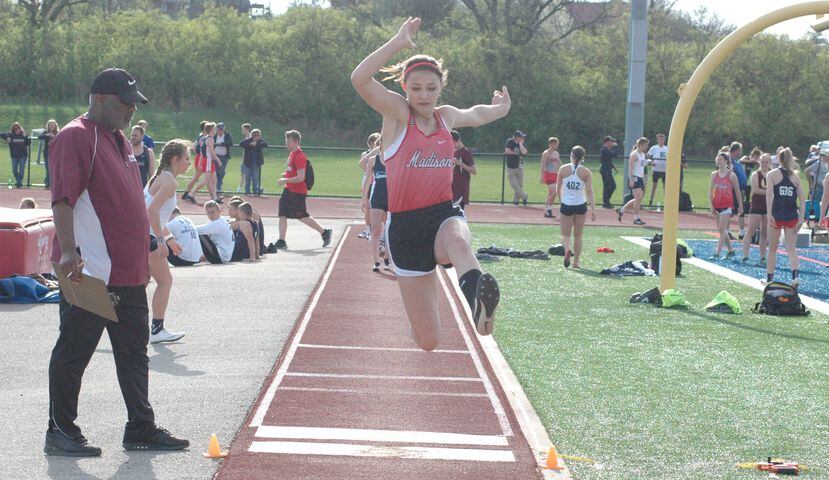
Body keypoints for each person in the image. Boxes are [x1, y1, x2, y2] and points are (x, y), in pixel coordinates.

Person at [45, 68, 188, 457]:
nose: (131, 110)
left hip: (126, 272)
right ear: (100, 99)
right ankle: (60, 430)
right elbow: (62, 200)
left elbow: (126, 200)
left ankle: (140, 426)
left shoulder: (120, 139)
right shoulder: (75, 137)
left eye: (134, 103)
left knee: (134, 353)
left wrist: (147, 239)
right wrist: (70, 251)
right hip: (89, 271)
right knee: (74, 352)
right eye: (125, 102)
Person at [351, 16, 508, 349]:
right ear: (405, 88)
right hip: (405, 230)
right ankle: (418, 325)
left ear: (441, 88)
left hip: (441, 215)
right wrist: (397, 42)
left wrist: (500, 110)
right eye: (416, 88)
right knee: (428, 341)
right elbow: (360, 78)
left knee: (460, 242)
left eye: (431, 88)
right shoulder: (397, 114)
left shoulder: (445, 117)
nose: (424, 95)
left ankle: (478, 304)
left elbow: (476, 114)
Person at [144, 140, 191, 344]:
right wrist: (161, 240)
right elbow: (151, 211)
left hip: (143, 236)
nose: (189, 163)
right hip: (148, 238)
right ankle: (157, 329)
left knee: (141, 283)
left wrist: (169, 238)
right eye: (187, 159)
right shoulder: (170, 182)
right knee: (165, 281)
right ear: (175, 159)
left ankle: (112, 323)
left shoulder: (157, 178)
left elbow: (158, 216)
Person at [273, 130, 332, 249]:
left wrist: (285, 180)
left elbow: (300, 177)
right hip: (288, 190)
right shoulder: (292, 154)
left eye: (288, 141)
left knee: (302, 216)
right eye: (286, 140)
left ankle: (324, 232)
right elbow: (294, 172)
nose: (286, 143)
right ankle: (281, 240)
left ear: (295, 142)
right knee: (282, 214)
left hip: (298, 192)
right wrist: (286, 175)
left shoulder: (300, 156)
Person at [765, 148, 805, 289]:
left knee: (772, 249)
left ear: (778, 158)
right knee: (791, 249)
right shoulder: (795, 177)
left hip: (777, 214)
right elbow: (802, 198)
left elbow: (769, 195)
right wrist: (801, 218)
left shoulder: (771, 174)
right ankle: (795, 277)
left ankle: (769, 279)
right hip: (791, 215)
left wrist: (769, 213)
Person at [556, 146, 595, 269]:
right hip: (581, 204)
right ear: (582, 157)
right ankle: (576, 262)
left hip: (567, 204)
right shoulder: (586, 172)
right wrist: (593, 209)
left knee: (565, 235)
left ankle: (568, 249)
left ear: (571, 155)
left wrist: (561, 201)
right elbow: (589, 191)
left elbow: (558, 189)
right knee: (578, 235)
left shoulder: (563, 169)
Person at [708, 152, 743, 259]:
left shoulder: (731, 175)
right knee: (721, 230)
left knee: (722, 229)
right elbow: (710, 191)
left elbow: (737, 192)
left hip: (727, 205)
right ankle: (731, 250)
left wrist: (741, 206)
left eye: (721, 159)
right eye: (717, 159)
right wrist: (711, 205)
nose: (718, 161)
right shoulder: (714, 174)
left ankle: (717, 253)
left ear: (726, 161)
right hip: (716, 204)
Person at [361, 139, 390, 271]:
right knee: (376, 230)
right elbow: (367, 180)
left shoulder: (395, 159)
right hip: (377, 198)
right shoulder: (373, 160)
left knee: (390, 230)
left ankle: (388, 259)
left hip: (392, 199)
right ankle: (376, 261)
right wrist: (364, 200)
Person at [741, 153, 770, 265]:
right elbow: (756, 189)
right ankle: (745, 256)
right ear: (759, 162)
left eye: (766, 162)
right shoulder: (755, 174)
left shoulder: (772, 175)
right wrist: (769, 192)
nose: (764, 164)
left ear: (770, 163)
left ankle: (763, 257)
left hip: (768, 206)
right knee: (751, 231)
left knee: (764, 233)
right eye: (762, 162)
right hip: (757, 205)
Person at [616, 137, 649, 225]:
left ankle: (622, 210)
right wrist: (631, 180)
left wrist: (647, 162)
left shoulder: (642, 154)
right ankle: (636, 218)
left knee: (638, 199)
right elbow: (630, 168)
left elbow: (641, 164)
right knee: (637, 199)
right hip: (635, 177)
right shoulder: (634, 154)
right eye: (645, 145)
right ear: (641, 145)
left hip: (640, 178)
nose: (646, 147)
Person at [358, 133, 381, 239]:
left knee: (379, 208)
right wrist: (371, 173)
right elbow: (362, 163)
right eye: (374, 142)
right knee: (368, 206)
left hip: (379, 182)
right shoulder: (367, 154)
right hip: (370, 181)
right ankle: (367, 229)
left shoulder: (383, 153)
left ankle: (380, 233)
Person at [728, 142, 748, 239]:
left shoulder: (737, 161)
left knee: (741, 211)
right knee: (729, 212)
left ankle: (741, 232)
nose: (741, 152)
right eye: (740, 150)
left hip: (740, 190)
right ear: (735, 150)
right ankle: (727, 232)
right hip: (732, 191)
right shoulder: (729, 161)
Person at [451, 129, 477, 207]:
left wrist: (459, 163)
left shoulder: (466, 153)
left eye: (453, 142)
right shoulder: (454, 152)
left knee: (459, 214)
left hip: (461, 189)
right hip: (453, 188)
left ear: (458, 140)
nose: (451, 144)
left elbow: (474, 170)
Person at [239, 128, 267, 195]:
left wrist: (257, 144)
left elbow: (265, 144)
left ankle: (255, 191)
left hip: (256, 163)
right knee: (247, 177)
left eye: (259, 135)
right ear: (254, 136)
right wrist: (250, 144)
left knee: (255, 177)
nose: (259, 137)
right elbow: (241, 143)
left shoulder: (260, 141)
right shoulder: (248, 140)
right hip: (248, 163)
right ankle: (247, 191)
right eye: (257, 135)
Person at [504, 130, 528, 205]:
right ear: (516, 137)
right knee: (513, 184)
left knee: (520, 185)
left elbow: (524, 152)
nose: (522, 138)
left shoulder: (521, 144)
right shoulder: (510, 141)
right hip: (511, 167)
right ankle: (524, 196)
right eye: (521, 137)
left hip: (519, 167)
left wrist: (520, 144)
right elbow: (507, 151)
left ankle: (515, 201)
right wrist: (516, 153)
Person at [4, 122, 31, 188]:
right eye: (15, 129)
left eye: (18, 128)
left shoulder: (23, 134)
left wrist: (26, 137)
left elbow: (29, 143)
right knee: (14, 169)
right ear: (13, 130)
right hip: (14, 156)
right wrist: (7, 137)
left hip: (23, 155)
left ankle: (19, 183)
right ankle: (18, 181)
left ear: (20, 128)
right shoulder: (11, 135)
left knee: (21, 169)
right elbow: (1, 134)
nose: (17, 130)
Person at [540, 137, 561, 218]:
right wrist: (542, 177)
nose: (557, 145)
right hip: (548, 174)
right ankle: (548, 209)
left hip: (555, 175)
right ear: (551, 144)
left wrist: (562, 173)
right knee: (554, 192)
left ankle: (548, 210)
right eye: (556, 144)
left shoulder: (556, 153)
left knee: (552, 193)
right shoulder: (546, 153)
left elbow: (559, 164)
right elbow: (542, 165)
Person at [647, 133, 668, 206]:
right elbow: (647, 155)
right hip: (656, 170)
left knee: (665, 187)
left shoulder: (667, 148)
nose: (661, 141)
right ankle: (650, 201)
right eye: (659, 139)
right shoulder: (654, 148)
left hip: (665, 170)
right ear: (657, 140)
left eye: (662, 139)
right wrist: (651, 162)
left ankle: (666, 203)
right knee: (654, 186)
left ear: (664, 140)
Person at [38, 119, 60, 188]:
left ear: (55, 125)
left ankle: (53, 182)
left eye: (53, 125)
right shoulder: (45, 132)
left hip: (56, 153)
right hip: (47, 153)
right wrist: (48, 135)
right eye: (50, 125)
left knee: (55, 169)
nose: (52, 126)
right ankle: (47, 183)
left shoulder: (58, 132)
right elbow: (40, 136)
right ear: (48, 126)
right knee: (48, 168)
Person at [599, 135, 618, 208]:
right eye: (611, 141)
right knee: (612, 186)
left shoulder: (607, 149)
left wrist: (614, 168)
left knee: (607, 187)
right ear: (606, 142)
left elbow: (609, 160)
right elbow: (615, 155)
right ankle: (606, 202)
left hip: (607, 170)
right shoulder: (604, 149)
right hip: (605, 170)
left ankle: (606, 203)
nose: (612, 143)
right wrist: (615, 147)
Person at [214, 122, 234, 193]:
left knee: (221, 171)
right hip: (215, 156)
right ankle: (216, 186)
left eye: (222, 129)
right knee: (215, 172)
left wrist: (222, 144)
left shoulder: (227, 135)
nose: (220, 131)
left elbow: (231, 143)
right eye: (219, 129)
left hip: (224, 157)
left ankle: (219, 185)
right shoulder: (214, 135)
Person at [237, 123, 252, 193]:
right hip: (244, 159)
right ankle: (239, 189)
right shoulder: (246, 138)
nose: (242, 131)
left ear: (247, 129)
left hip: (248, 161)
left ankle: (239, 189)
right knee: (242, 175)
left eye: (243, 129)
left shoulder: (250, 138)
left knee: (248, 176)